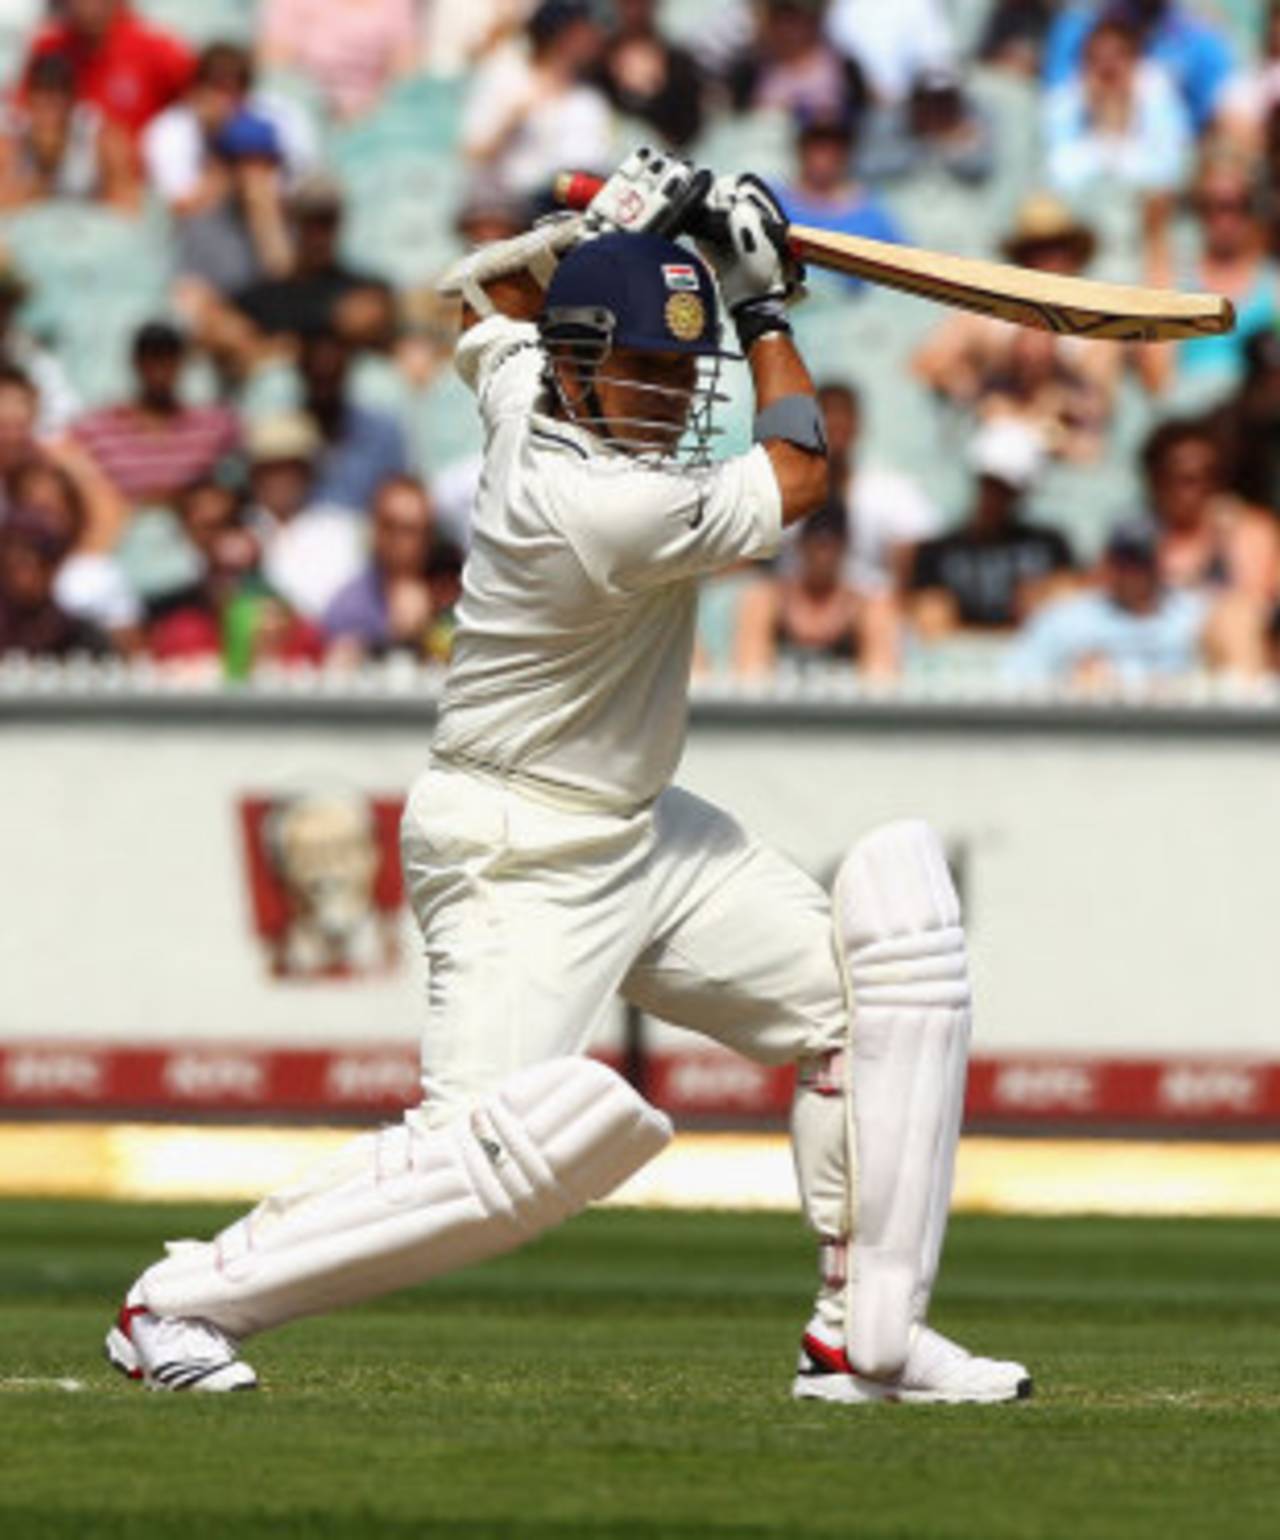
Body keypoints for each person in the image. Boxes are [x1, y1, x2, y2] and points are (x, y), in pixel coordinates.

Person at [104, 148, 1031, 1404]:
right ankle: (177, 1302)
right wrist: (759, 307)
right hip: (515, 842)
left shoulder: (515, 373)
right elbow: (803, 474)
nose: (660, 400)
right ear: (583, 364)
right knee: (491, 1157)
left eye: (677, 376)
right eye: (640, 369)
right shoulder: (598, 508)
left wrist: (612, 226)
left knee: (871, 996)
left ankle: (858, 1338)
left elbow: (479, 298)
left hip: (642, 832)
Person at [908, 417, 1075, 636]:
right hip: (958, 666)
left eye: (1005, 488)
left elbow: (1067, 616)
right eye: (989, 483)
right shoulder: (937, 552)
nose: (995, 496)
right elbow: (933, 628)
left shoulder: (1049, 546)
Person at [1003, 521, 1211, 687]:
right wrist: (1068, 685)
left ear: (1161, 562)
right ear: (1108, 562)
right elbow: (1015, 680)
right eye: (1125, 558)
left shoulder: (1197, 615)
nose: (1134, 572)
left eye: (1143, 559)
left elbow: (1230, 684)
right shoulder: (1065, 618)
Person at [69, 321, 240, 508]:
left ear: (182, 363)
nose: (159, 368)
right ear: (135, 363)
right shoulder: (95, 430)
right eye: (151, 358)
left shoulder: (214, 427)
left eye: (169, 358)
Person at [462, 0, 614, 197]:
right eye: (581, 31)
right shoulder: (506, 77)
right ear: (559, 34)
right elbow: (473, 153)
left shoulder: (591, 96)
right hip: (514, 204)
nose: (592, 39)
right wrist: (512, 119)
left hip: (578, 205)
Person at [732, 498, 900, 675]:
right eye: (817, 543)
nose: (823, 554)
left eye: (831, 544)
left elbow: (882, 682)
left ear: (845, 547)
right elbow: (749, 677)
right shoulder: (769, 600)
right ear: (800, 544)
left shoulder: (866, 607)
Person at [1043, 14, 1192, 197]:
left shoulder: (1160, 99)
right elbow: (1056, 177)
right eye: (1096, 59)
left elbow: (1168, 173)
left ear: (1136, 62)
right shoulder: (1062, 105)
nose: (1107, 67)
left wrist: (1114, 140)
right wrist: (1103, 131)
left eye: (1118, 56)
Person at [20, 0, 194, 143]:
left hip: (141, 176)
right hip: (62, 175)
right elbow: (20, 112)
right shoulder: (48, 46)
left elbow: (206, 102)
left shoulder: (158, 48)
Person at [0, 51, 139, 211]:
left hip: (87, 230)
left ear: (74, 99)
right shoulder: (12, 143)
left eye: (59, 92)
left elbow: (127, 206)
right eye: (41, 92)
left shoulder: (102, 139)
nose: (50, 102)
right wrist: (43, 174)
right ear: (28, 98)